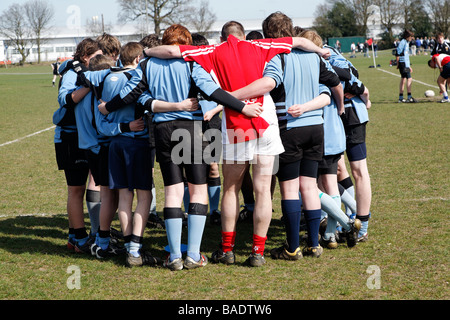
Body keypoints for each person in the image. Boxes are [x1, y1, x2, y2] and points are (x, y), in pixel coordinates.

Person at [143, 19, 330, 267]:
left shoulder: (212, 50)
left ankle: (228, 249)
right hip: (264, 117)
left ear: (222, 38)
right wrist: (320, 50)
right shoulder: (262, 46)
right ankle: (257, 252)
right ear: (245, 36)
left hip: (235, 121)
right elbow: (299, 41)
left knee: (231, 187)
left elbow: (170, 50)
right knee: (264, 189)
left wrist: (145, 51)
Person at [53, 38, 102, 253]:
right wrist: (87, 86)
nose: (99, 60)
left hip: (85, 135)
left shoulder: (83, 69)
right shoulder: (74, 73)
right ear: (85, 56)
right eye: (95, 57)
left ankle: (76, 235)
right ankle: (79, 238)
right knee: (76, 188)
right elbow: (64, 99)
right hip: (69, 137)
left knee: (83, 185)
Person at [396, 30, 416, 103]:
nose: (412, 38)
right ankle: (409, 97)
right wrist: (399, 63)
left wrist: (409, 66)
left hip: (405, 64)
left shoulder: (406, 42)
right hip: (403, 63)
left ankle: (401, 98)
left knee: (403, 79)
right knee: (409, 79)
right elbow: (398, 53)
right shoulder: (403, 42)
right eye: (411, 36)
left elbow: (406, 55)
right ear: (407, 36)